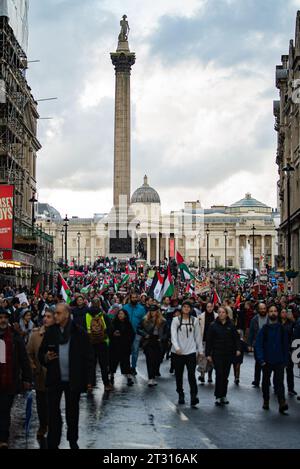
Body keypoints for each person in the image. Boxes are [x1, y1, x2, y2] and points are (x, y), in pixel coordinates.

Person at [39, 303, 94, 449]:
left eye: (58, 313)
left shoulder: (79, 332)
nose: (55, 316)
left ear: (66, 315)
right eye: (54, 313)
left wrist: (89, 380)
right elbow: (41, 354)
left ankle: (72, 439)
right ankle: (53, 440)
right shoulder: (51, 332)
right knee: (53, 412)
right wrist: (46, 357)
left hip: (73, 380)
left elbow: (88, 357)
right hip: (54, 379)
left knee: (72, 412)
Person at [0, 307, 32, 449]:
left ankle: (3, 439)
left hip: (9, 380)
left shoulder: (14, 336)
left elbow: (23, 358)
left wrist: (27, 378)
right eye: (0, 317)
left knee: (5, 411)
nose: (3, 320)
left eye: (5, 317)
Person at [27, 308, 56, 440]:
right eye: (45, 316)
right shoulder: (35, 335)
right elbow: (29, 353)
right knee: (41, 402)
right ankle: (43, 425)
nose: (45, 319)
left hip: (56, 376)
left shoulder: (61, 334)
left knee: (53, 403)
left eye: (49, 316)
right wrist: (32, 365)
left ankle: (53, 425)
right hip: (40, 376)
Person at [255, 304, 289, 414]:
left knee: (279, 383)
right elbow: (258, 345)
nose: (273, 313)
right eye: (271, 311)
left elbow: (285, 345)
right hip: (267, 361)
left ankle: (282, 402)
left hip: (279, 360)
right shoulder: (264, 329)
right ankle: (266, 400)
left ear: (277, 313)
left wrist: (285, 360)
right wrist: (261, 359)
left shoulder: (282, 329)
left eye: (275, 311)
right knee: (265, 382)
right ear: (268, 314)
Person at [206, 306, 241, 406]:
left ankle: (223, 395)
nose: (221, 314)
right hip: (217, 353)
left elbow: (236, 339)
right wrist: (208, 354)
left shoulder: (231, 325)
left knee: (225, 375)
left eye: (223, 312)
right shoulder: (213, 325)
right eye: (219, 312)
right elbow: (209, 341)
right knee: (219, 374)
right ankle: (218, 395)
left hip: (228, 353)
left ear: (226, 314)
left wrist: (238, 349)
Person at [171, 301, 203, 407]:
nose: (186, 308)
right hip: (178, 353)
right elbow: (173, 336)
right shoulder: (176, 320)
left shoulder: (194, 320)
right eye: (184, 307)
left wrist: (200, 351)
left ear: (191, 309)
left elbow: (198, 336)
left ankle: (194, 396)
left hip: (191, 352)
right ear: (181, 308)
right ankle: (180, 394)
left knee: (191, 375)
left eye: (188, 307)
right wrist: (177, 348)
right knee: (179, 375)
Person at [84, 298, 112, 392]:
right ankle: (106, 384)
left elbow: (83, 328)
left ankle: (89, 384)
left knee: (91, 364)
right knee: (103, 365)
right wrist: (105, 335)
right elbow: (110, 327)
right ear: (100, 304)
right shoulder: (103, 315)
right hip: (102, 343)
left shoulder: (87, 315)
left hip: (90, 343)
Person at [139, 305, 167, 387]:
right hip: (148, 341)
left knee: (157, 359)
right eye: (151, 311)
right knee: (149, 359)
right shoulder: (145, 319)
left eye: (154, 311)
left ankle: (153, 376)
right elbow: (139, 329)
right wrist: (145, 334)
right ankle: (150, 378)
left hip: (158, 342)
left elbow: (166, 333)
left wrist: (162, 338)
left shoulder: (163, 321)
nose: (153, 312)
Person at [110, 309, 135, 386]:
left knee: (126, 362)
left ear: (125, 315)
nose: (120, 315)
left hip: (125, 346)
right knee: (113, 362)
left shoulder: (128, 324)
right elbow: (109, 332)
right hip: (115, 346)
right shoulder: (113, 323)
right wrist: (113, 334)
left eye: (122, 314)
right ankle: (111, 376)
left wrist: (127, 340)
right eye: (119, 314)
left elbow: (132, 334)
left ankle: (128, 377)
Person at [123, 293, 146, 375]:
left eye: (135, 297)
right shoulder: (125, 307)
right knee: (125, 351)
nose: (134, 299)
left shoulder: (141, 308)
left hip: (136, 333)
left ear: (138, 298)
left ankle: (133, 367)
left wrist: (142, 331)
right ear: (130, 298)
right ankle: (126, 367)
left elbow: (144, 321)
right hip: (126, 333)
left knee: (135, 351)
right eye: (132, 297)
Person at [248, 302, 269, 387]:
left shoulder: (270, 318)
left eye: (264, 308)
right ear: (258, 310)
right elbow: (251, 333)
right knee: (258, 363)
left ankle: (267, 379)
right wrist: (249, 344)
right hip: (258, 344)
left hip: (268, 344)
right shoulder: (254, 319)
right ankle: (257, 380)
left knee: (267, 363)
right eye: (261, 309)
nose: (263, 310)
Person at [198, 302, 217, 384]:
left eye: (211, 307)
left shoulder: (216, 316)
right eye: (208, 307)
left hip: (214, 341)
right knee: (203, 358)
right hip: (204, 340)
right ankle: (202, 375)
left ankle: (210, 376)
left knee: (211, 359)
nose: (209, 308)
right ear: (205, 307)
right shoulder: (201, 317)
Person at [280, 308, 297, 396]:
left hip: (288, 350)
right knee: (279, 370)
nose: (284, 314)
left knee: (289, 370)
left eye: (285, 312)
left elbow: (295, 333)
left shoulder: (291, 324)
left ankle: (291, 388)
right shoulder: (277, 323)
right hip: (279, 349)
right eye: (282, 312)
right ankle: (278, 387)